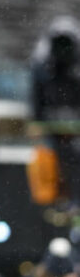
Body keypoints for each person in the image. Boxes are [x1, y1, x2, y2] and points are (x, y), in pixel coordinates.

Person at [30, 15, 80, 209]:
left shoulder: (75, 64)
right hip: (52, 127)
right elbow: (37, 96)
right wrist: (37, 121)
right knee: (54, 162)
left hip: (73, 125)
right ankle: (60, 198)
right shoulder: (42, 62)